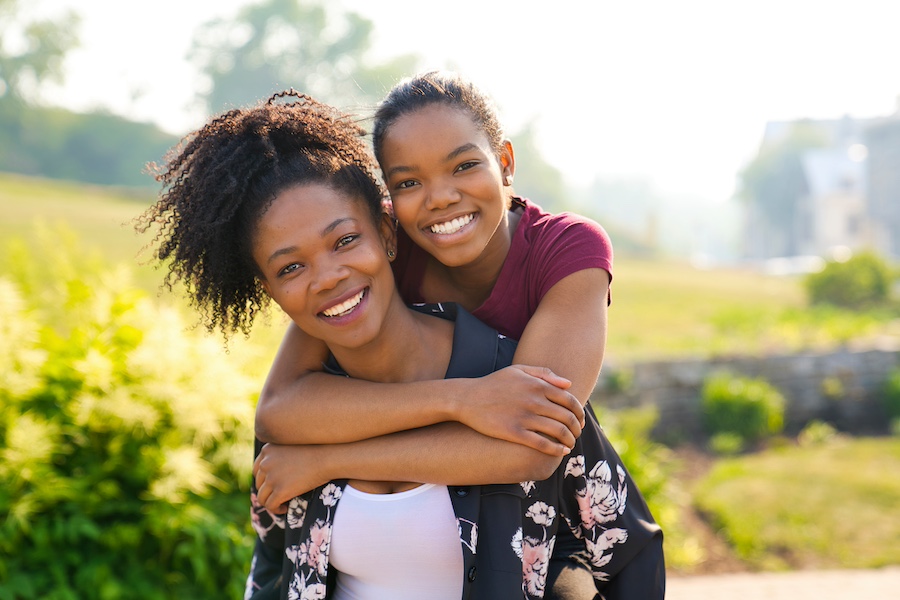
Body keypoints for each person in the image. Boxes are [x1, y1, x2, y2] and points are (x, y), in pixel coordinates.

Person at [138, 90, 663, 599]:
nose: (440, 198)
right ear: (391, 208)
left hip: (543, 520)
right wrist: (463, 398)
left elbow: (534, 446)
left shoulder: (561, 250)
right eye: (410, 182)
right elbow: (277, 414)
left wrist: (328, 461)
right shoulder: (374, 254)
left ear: (505, 162)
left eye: (463, 166)